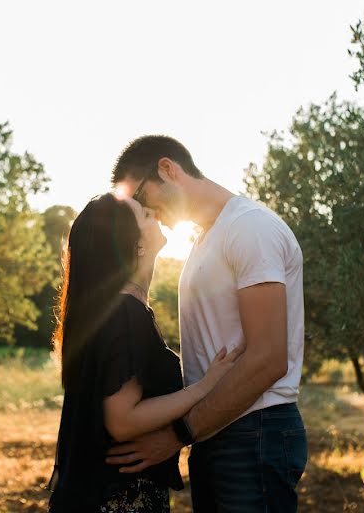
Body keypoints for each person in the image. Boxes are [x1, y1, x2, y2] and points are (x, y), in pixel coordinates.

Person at [108, 135, 307, 512]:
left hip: (254, 431)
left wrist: (177, 434)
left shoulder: (250, 228)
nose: (144, 210)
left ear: (168, 169)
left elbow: (268, 357)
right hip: (216, 432)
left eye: (143, 196)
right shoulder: (204, 241)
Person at [47, 193, 243, 512]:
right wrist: (204, 388)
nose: (155, 214)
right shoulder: (125, 314)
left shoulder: (115, 311)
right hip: (118, 500)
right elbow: (122, 420)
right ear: (135, 243)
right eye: (145, 215)